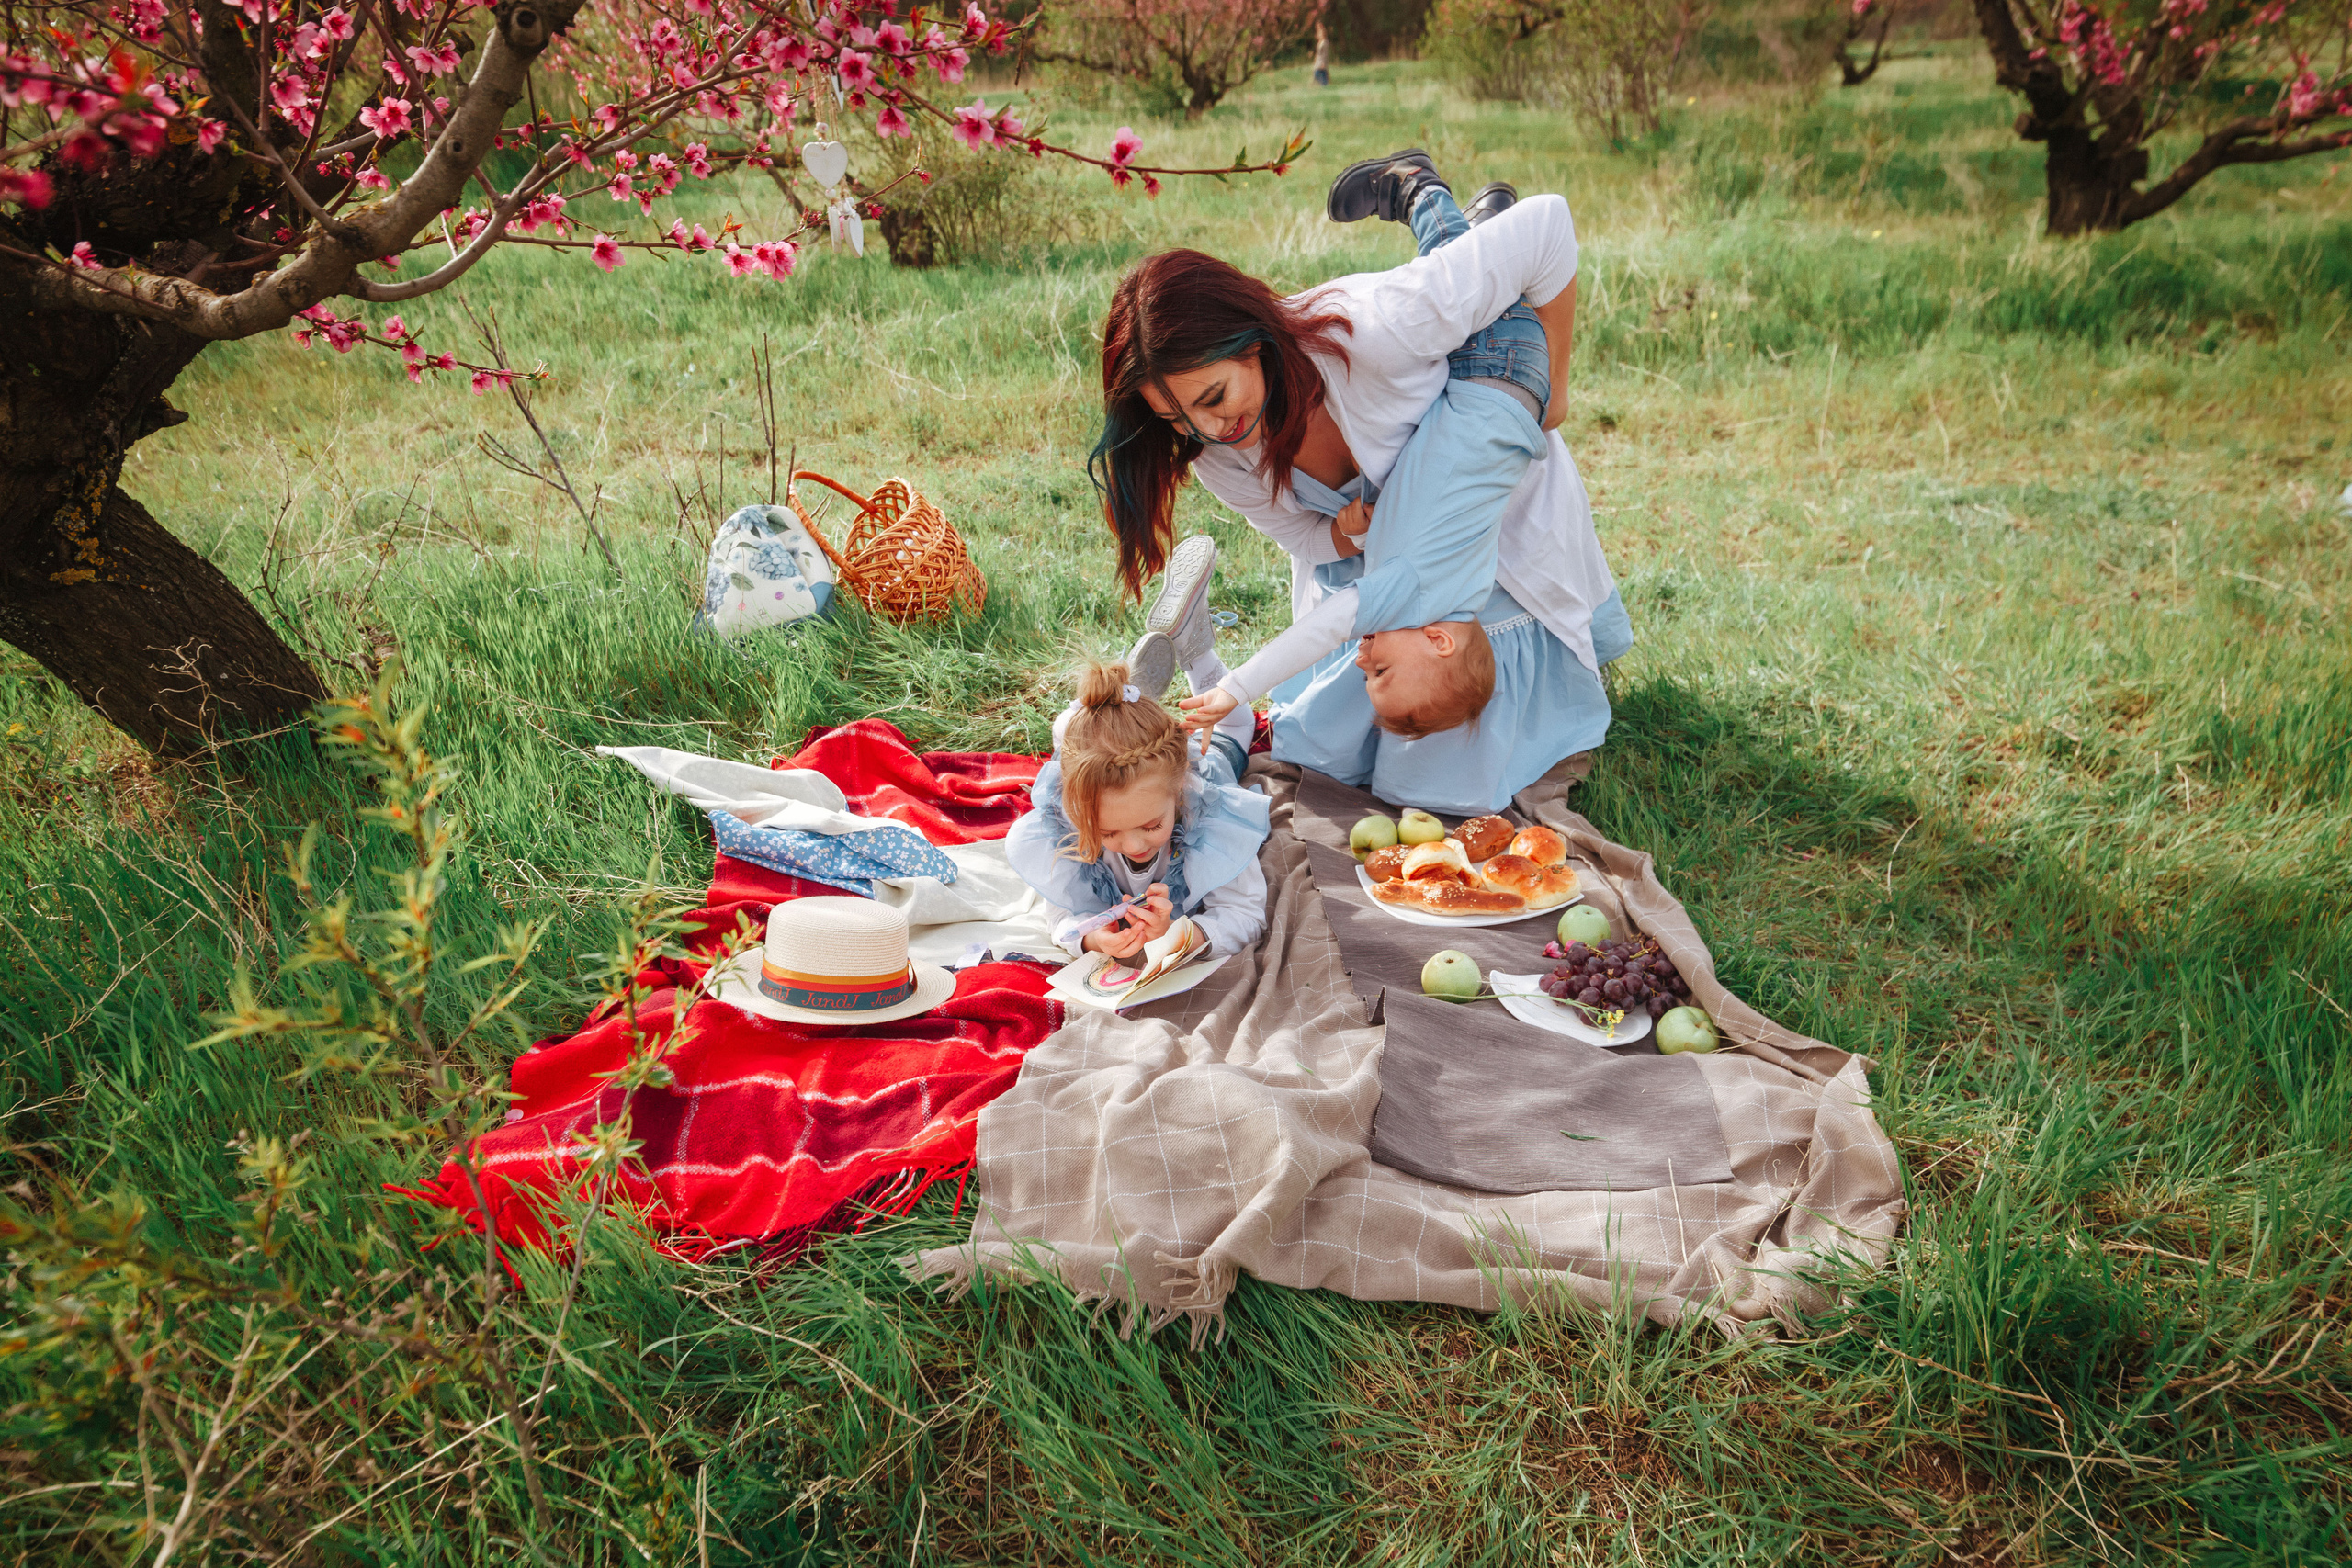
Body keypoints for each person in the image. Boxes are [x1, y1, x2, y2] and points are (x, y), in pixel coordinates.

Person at [1092, 152, 1633, 814]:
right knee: (1323, 755)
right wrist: (1346, 539)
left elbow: (1549, 224)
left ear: (1253, 340)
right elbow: (1307, 542)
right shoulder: (1211, 450)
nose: (1209, 426)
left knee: (1445, 772)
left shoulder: (1376, 326)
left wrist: (1552, 391)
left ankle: (1430, 199)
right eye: (1176, 417)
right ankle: (1475, 236)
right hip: (1386, 566)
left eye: (1213, 395)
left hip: (1499, 423)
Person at [1004, 660, 1269, 962]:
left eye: (1152, 826)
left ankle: (1199, 659)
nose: (1132, 846)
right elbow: (1060, 918)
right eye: (1107, 832)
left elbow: (1245, 915)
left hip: (1208, 758)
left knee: (1230, 735)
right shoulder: (1064, 826)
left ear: (1180, 788)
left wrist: (1181, 935)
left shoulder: (1208, 815)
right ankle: (1104, 713)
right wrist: (1092, 939)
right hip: (1148, 762)